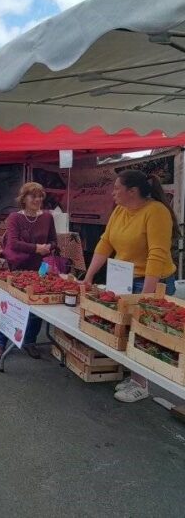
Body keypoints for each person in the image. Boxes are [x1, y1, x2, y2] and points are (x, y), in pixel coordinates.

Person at [84, 170, 177, 403]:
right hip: (124, 278)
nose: (113, 192)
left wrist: (147, 296)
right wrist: (89, 276)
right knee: (125, 328)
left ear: (132, 191)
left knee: (143, 332)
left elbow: (157, 254)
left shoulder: (156, 212)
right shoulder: (120, 211)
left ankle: (141, 384)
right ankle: (135, 375)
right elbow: (105, 243)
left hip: (152, 280)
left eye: (117, 188)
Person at [0, 182, 57, 360]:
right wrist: (37, 247)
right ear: (24, 199)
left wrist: (48, 247)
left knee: (35, 305)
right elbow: (13, 243)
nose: (37, 199)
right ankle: (0, 342)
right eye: (33, 196)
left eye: (40, 196)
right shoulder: (15, 217)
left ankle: (30, 341)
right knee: (9, 305)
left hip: (38, 268)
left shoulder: (47, 217)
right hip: (16, 267)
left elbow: (54, 240)